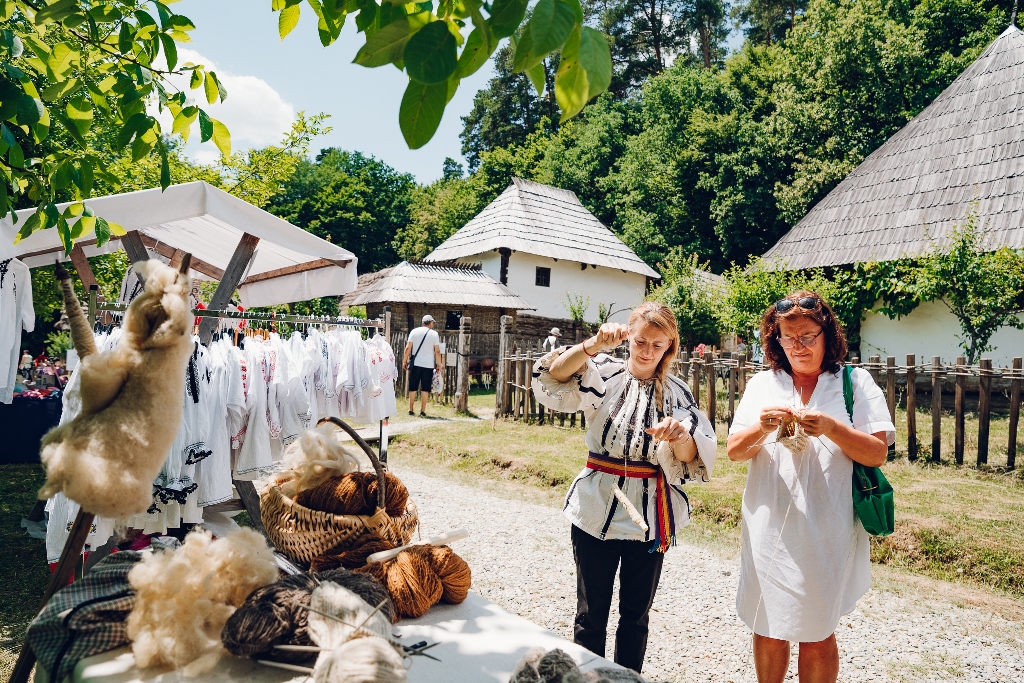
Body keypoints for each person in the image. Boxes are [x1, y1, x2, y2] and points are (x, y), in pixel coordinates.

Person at [532, 302, 717, 674]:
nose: (647, 351)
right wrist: (591, 345)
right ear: (629, 336)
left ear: (670, 347)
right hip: (596, 505)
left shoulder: (678, 394)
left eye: (658, 344)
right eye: (641, 341)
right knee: (590, 612)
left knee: (636, 616)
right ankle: (585, 680)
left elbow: (691, 455)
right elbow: (553, 374)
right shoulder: (603, 372)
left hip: (650, 514)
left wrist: (679, 436)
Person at [726, 291, 894, 683]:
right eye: (789, 337)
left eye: (808, 336)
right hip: (768, 524)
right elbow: (735, 452)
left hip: (828, 526)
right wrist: (763, 427)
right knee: (767, 624)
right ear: (775, 339)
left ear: (827, 334)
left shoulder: (854, 381)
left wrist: (834, 428)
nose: (798, 346)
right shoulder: (764, 384)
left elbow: (876, 454)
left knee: (817, 632)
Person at [403, 315, 443, 417]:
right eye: (432, 323)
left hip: (416, 364)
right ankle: (422, 411)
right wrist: (439, 364)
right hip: (428, 365)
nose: (433, 325)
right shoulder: (434, 334)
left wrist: (404, 361)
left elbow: (407, 348)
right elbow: (437, 351)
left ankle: (411, 409)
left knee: (413, 387)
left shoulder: (414, 332)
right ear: (430, 323)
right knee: (425, 388)